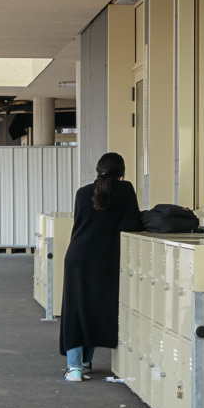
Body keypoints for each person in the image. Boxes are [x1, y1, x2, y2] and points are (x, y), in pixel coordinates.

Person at [59, 151, 141, 381]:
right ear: (121, 171)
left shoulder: (82, 193)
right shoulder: (125, 191)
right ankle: (85, 362)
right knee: (96, 309)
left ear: (98, 170)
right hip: (105, 259)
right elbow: (130, 224)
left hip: (77, 257)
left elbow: (79, 224)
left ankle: (75, 368)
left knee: (75, 310)